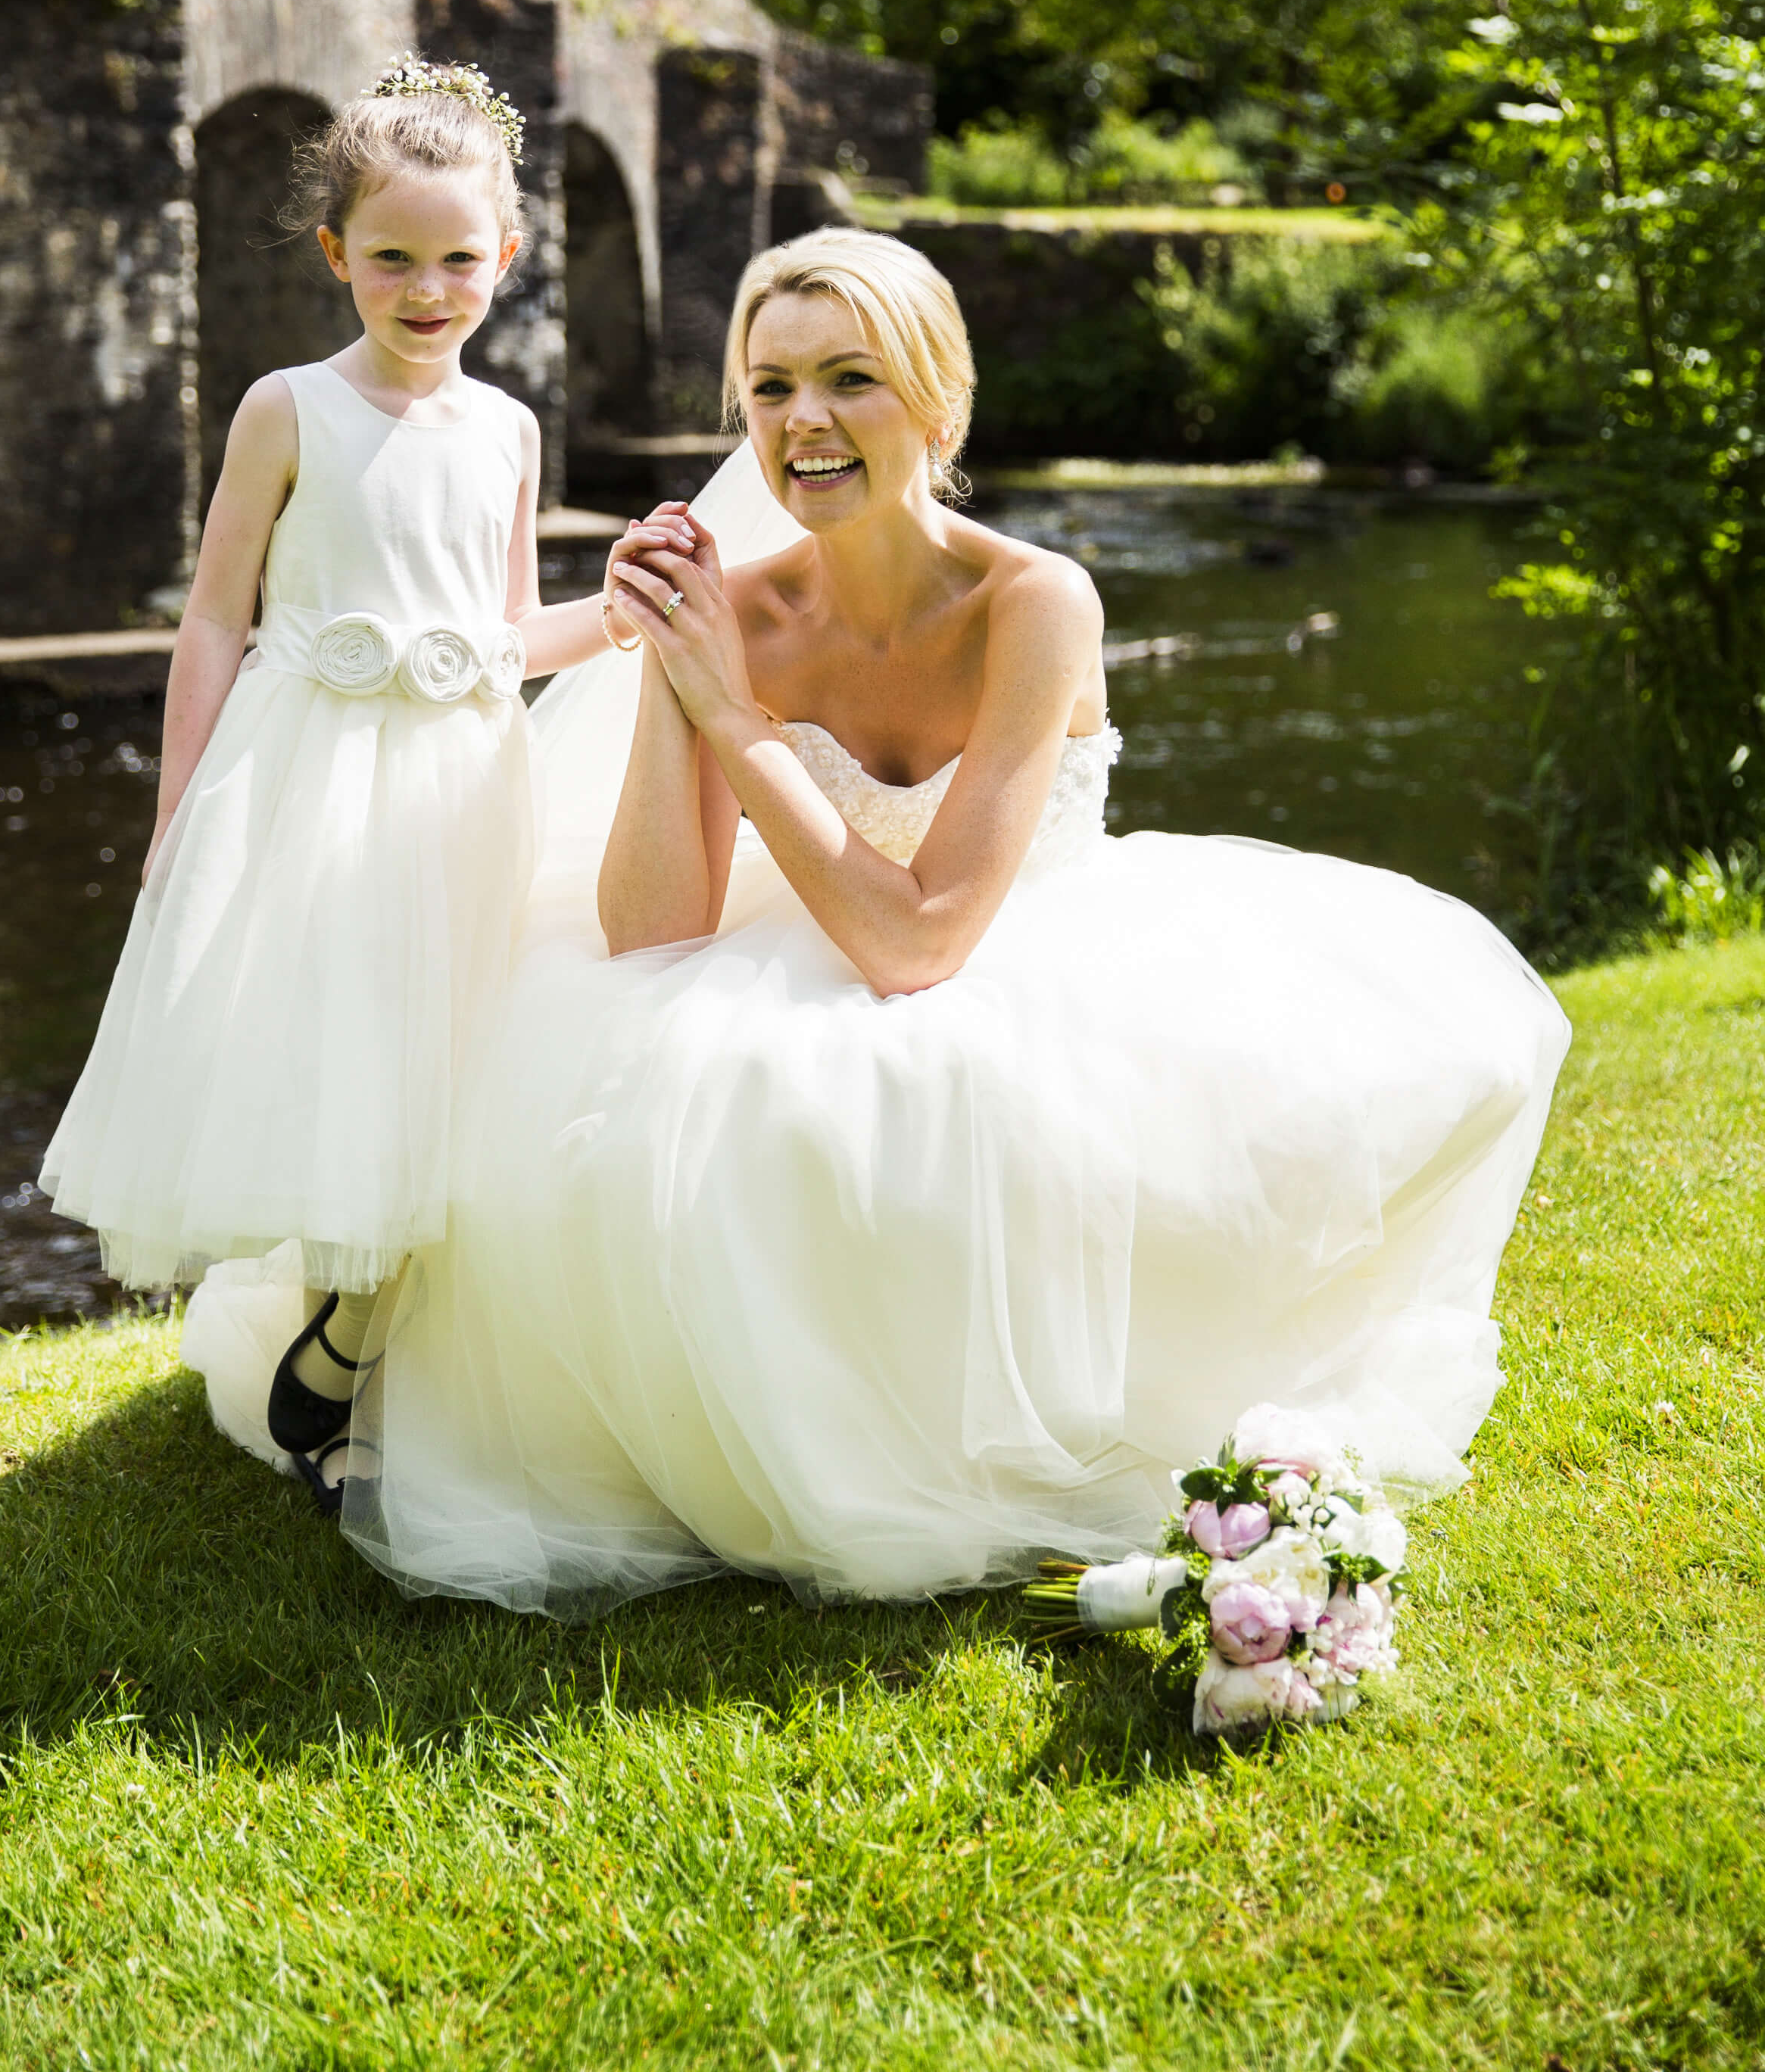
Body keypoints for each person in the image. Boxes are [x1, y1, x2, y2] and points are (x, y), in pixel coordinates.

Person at [201, 227, 1568, 1603]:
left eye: (848, 379)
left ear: (938, 402)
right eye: (771, 385)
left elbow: (920, 945)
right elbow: (655, 929)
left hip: (1018, 949)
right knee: (672, 1101)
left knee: (928, 1098)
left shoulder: (1036, 603)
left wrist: (736, 716)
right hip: (797, 937)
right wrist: (684, 679)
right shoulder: (731, 603)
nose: (803, 423)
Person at [39, 58, 683, 1506]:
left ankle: (352, 1344)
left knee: (453, 1052)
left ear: (506, 260)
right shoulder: (287, 409)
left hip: (462, 780)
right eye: (391, 257)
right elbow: (216, 615)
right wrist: (179, 809)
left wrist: (631, 604)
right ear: (337, 256)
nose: (428, 287)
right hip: (311, 775)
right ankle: (341, 1347)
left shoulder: (510, 433)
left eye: (461, 258)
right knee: (348, 1052)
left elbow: (505, 635)